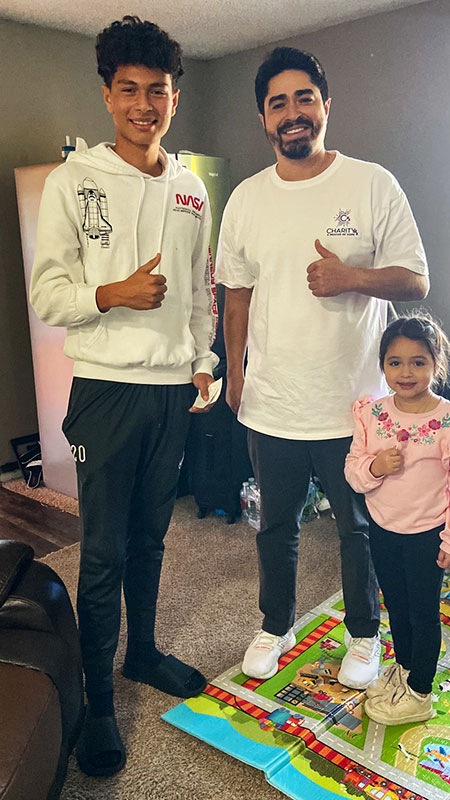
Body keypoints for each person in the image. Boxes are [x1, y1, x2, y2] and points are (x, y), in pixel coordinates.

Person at [30, 16, 218, 777]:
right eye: (130, 90)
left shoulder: (192, 190)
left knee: (151, 539)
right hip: (106, 393)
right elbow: (49, 293)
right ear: (108, 96)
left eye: (159, 92)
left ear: (177, 97)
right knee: (102, 551)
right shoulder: (74, 181)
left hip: (173, 393)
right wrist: (113, 292)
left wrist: (203, 363)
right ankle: (99, 704)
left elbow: (201, 294)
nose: (145, 104)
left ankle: (142, 655)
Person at [214, 46, 429, 689]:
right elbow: (236, 292)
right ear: (263, 118)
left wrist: (351, 277)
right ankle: (273, 624)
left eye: (304, 97)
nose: (293, 112)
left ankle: (364, 635)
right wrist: (234, 371)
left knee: (358, 529)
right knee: (275, 526)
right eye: (278, 102)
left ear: (325, 106)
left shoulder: (371, 183)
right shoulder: (248, 199)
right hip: (275, 400)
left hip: (354, 402)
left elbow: (416, 279)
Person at [345, 315, 450, 724]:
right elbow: (353, 471)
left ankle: (420, 691)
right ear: (383, 365)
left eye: (418, 362)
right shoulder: (371, 414)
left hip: (426, 535)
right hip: (384, 530)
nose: (406, 372)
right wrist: (375, 467)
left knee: (423, 612)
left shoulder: (444, 420)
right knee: (397, 606)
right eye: (395, 362)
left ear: (435, 364)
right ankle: (405, 669)